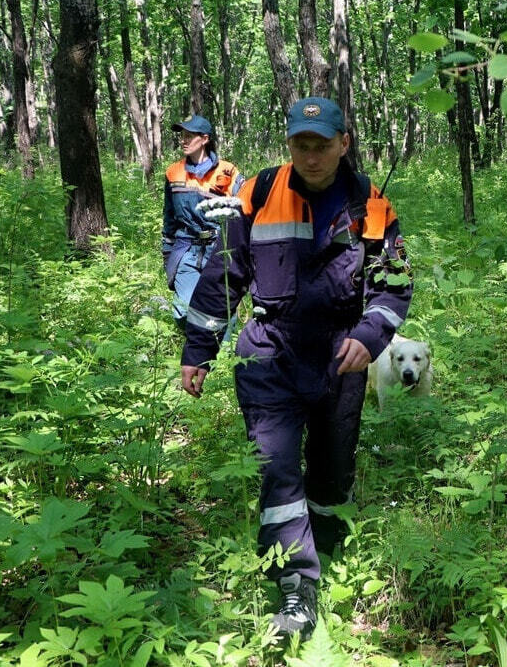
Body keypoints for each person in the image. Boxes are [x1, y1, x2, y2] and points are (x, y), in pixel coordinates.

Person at [179, 97, 412, 641]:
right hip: (269, 351)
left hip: (341, 355)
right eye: (301, 145)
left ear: (343, 143)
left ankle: (328, 545)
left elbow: (393, 285)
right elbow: (225, 276)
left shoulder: (370, 204)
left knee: (332, 469)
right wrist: (198, 351)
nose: (311, 156)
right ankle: (296, 586)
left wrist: (370, 336)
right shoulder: (256, 194)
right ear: (289, 144)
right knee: (277, 468)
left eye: (322, 145)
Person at [162, 115, 245, 328]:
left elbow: (244, 212)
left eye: (189, 136)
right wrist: (167, 253)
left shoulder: (228, 172)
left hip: (219, 248)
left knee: (221, 310)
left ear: (205, 139)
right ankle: (197, 349)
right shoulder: (173, 172)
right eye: (182, 136)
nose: (184, 140)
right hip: (186, 248)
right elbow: (169, 218)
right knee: (184, 309)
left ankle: (222, 358)